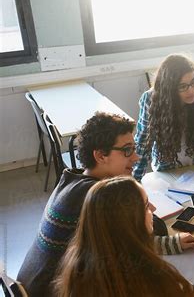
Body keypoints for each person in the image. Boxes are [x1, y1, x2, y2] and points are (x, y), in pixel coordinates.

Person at [17, 112, 140, 296]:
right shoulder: (96, 196)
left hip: (30, 287)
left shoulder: (72, 179)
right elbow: (138, 240)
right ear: (100, 156)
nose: (135, 157)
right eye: (127, 150)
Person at [54, 176, 194, 297]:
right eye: (146, 205)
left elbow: (123, 243)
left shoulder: (80, 260)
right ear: (128, 221)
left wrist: (172, 243)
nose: (153, 209)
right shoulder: (150, 280)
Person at [133, 54, 194, 181]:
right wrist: (134, 182)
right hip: (167, 169)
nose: (191, 91)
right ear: (169, 89)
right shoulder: (150, 99)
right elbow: (143, 144)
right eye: (183, 86)